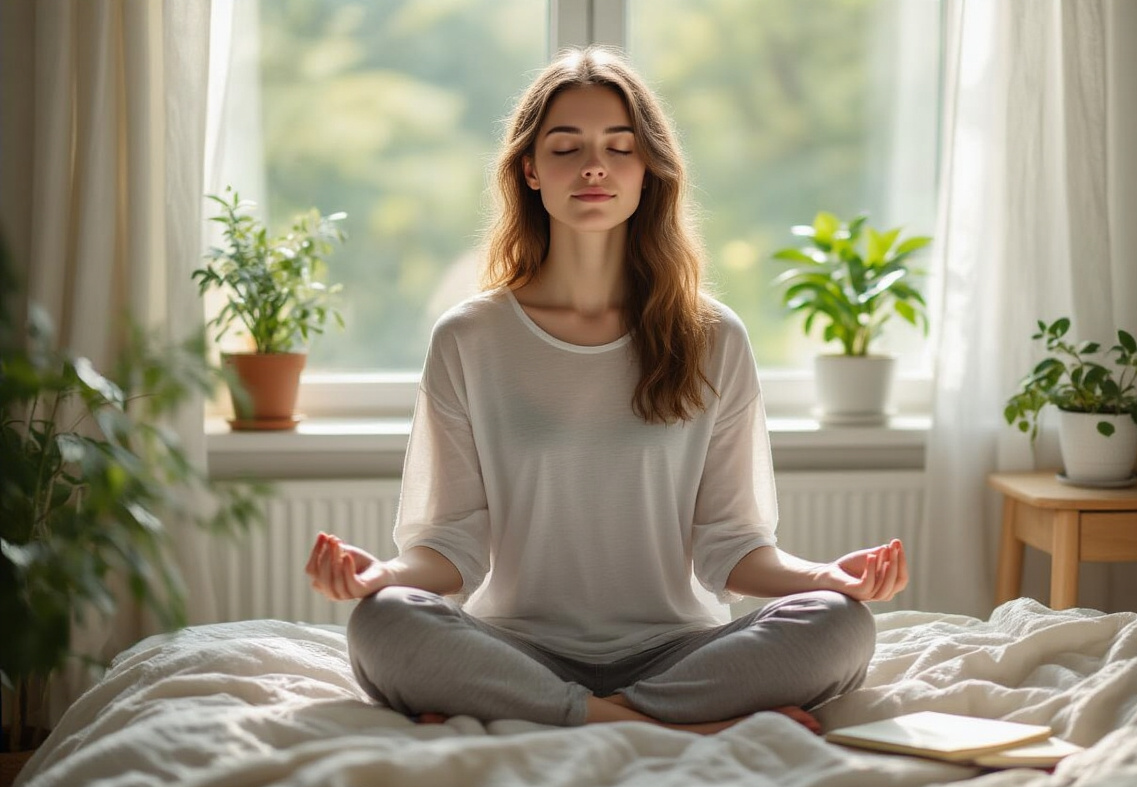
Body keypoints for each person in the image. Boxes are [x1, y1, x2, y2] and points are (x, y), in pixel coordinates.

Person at [305, 46, 908, 736]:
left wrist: (827, 578)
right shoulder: (469, 338)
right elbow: (451, 549)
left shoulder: (714, 336)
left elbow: (733, 548)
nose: (595, 166)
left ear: (647, 170)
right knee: (384, 624)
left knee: (839, 627)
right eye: (567, 148)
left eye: (619, 148)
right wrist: (378, 575)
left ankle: (572, 716)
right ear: (530, 170)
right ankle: (673, 725)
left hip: (677, 649)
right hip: (517, 645)